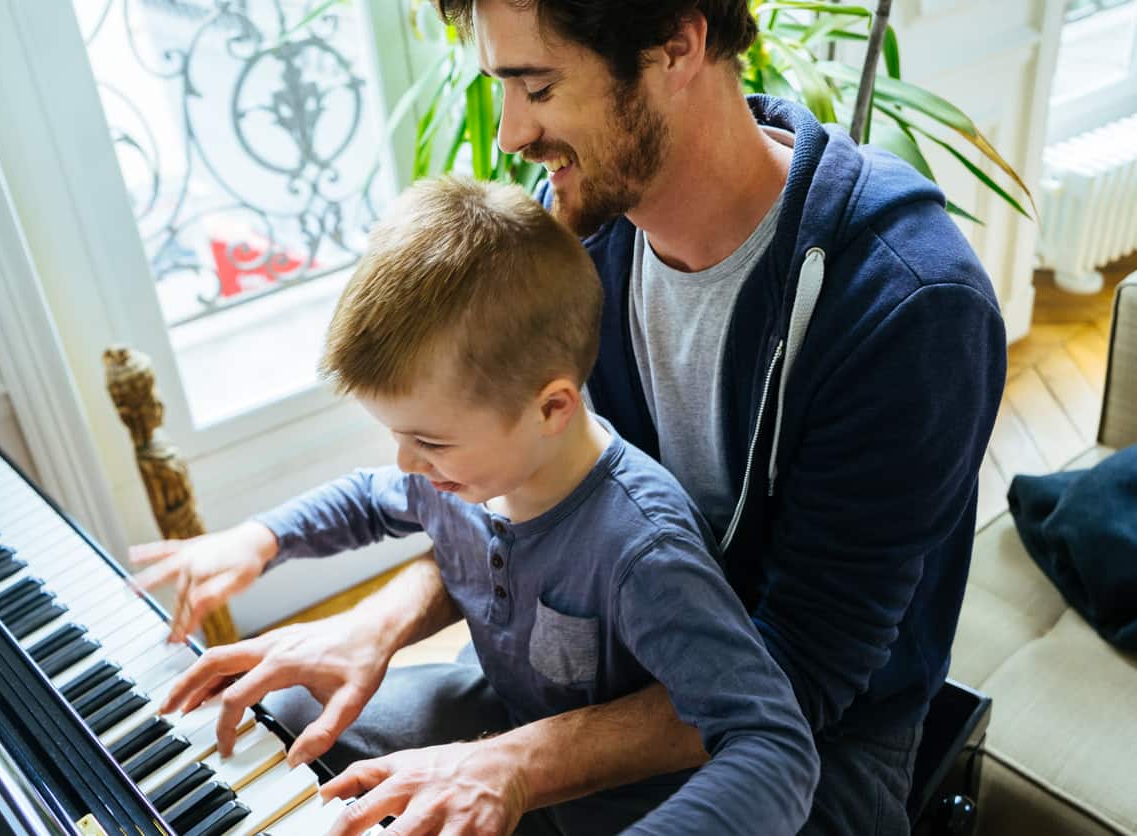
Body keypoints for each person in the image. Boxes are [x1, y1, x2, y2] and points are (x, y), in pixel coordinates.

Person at [136, 0, 1008, 832]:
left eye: (540, 86)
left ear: (676, 43)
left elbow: (800, 679)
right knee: (287, 719)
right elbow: (552, 502)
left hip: (813, 739)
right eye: (501, 87)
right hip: (597, 659)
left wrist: (514, 764)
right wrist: (374, 626)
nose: (513, 133)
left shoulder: (910, 306)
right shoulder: (576, 233)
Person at [140, 177, 820, 835]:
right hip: (502, 713)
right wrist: (259, 538)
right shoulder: (467, 477)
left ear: (551, 408)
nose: (407, 462)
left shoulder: (641, 547)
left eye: (428, 440)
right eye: (397, 435)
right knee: (286, 703)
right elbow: (367, 499)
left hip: (621, 803)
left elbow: (770, 740)